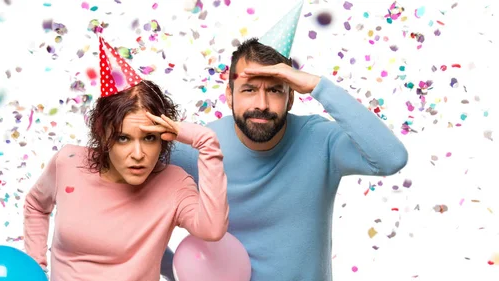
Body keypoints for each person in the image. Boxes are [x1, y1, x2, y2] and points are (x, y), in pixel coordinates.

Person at [159, 36, 408, 281]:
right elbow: (128, 200)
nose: (262, 104)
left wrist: (317, 86)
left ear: (291, 97)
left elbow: (391, 158)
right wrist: (173, 269)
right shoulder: (199, 148)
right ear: (230, 95)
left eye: (275, 90)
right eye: (249, 89)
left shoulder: (321, 140)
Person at [24, 37, 229, 281]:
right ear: (102, 132)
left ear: (164, 137)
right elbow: (36, 205)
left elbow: (212, 229)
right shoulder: (68, 162)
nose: (138, 154)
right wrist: (35, 269)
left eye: (149, 138)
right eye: (123, 138)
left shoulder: (174, 185)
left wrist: (205, 142)